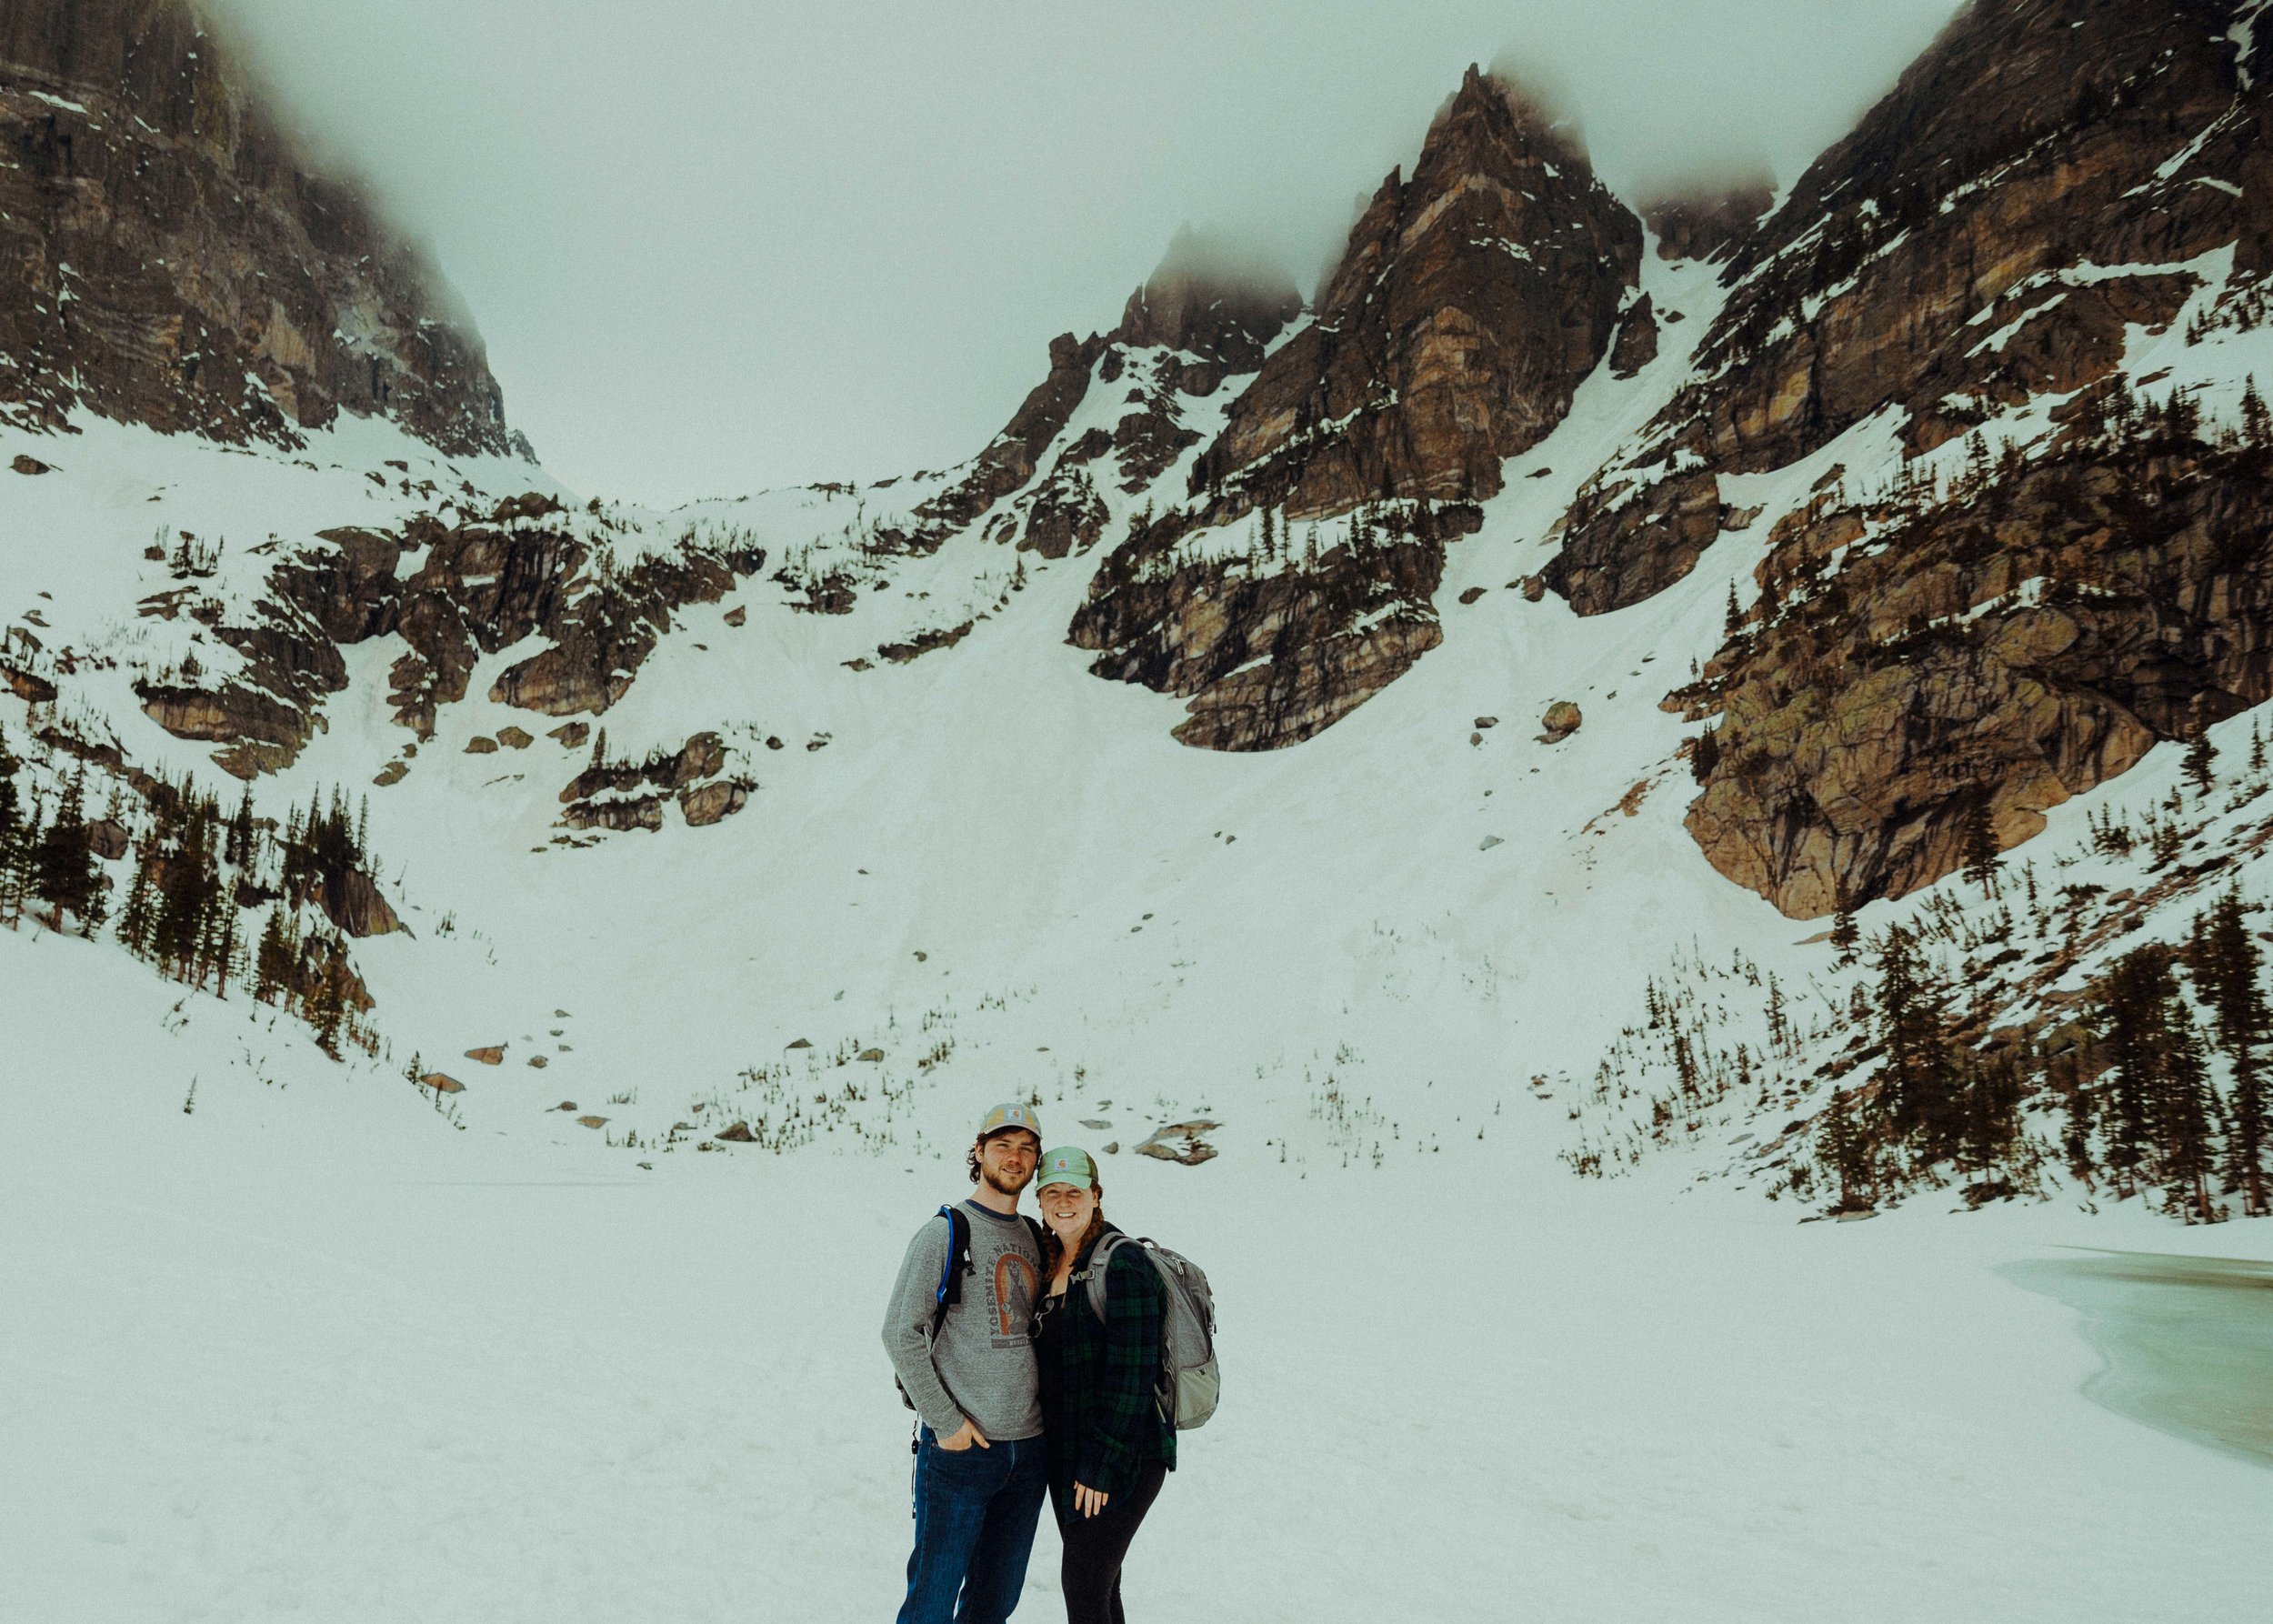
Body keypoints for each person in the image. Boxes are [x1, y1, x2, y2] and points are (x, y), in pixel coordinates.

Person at [882, 1103, 1049, 1624]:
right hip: (961, 1453)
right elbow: (899, 1332)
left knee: (994, 1601)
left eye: (1026, 1147)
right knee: (932, 1597)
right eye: (1003, 1145)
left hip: (1029, 1450)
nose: (1014, 1157)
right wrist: (947, 1423)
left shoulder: (1035, 1236)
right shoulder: (946, 1231)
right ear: (978, 1153)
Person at [1030, 1147, 1176, 1624]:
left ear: (1095, 1195)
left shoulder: (1124, 1263)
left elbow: (1131, 1378)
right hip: (1069, 1454)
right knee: (1099, 1587)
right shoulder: (1052, 1261)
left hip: (1122, 1457)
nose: (1063, 1202)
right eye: (1052, 1192)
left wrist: (1100, 1466)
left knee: (1084, 1586)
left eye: (1074, 1191)